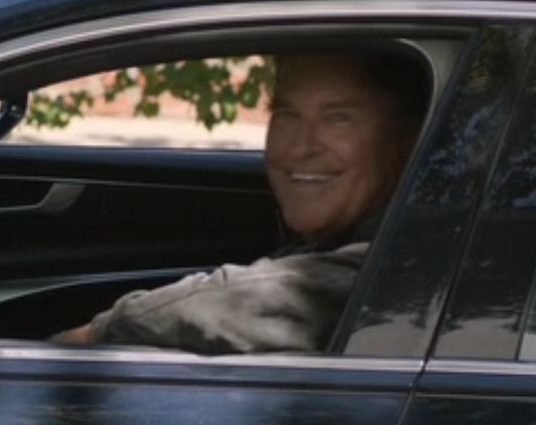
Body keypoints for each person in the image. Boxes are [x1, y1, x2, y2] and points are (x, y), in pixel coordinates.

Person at [53, 50, 430, 353]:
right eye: (286, 114)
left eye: (338, 118)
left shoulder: (415, 261)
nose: (301, 146)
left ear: (407, 139)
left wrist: (96, 335)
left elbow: (265, 298)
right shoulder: (355, 233)